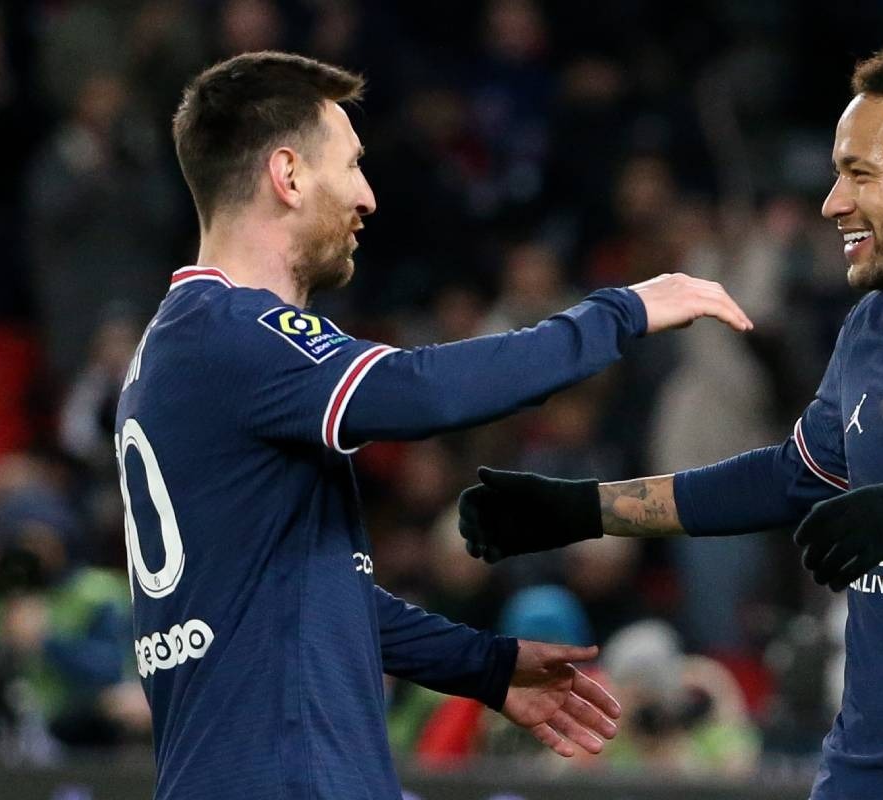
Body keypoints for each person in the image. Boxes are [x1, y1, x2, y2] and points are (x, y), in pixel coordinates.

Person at [457, 39, 883, 799]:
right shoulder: (870, 331)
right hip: (869, 774)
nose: (832, 203)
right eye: (835, 173)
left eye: (860, 173)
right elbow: (792, 476)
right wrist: (578, 508)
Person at [118, 51, 752, 799]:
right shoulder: (238, 333)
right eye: (351, 164)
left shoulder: (181, 346)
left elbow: (308, 594)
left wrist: (482, 666)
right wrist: (621, 311)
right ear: (288, 175)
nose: (368, 196)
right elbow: (421, 393)